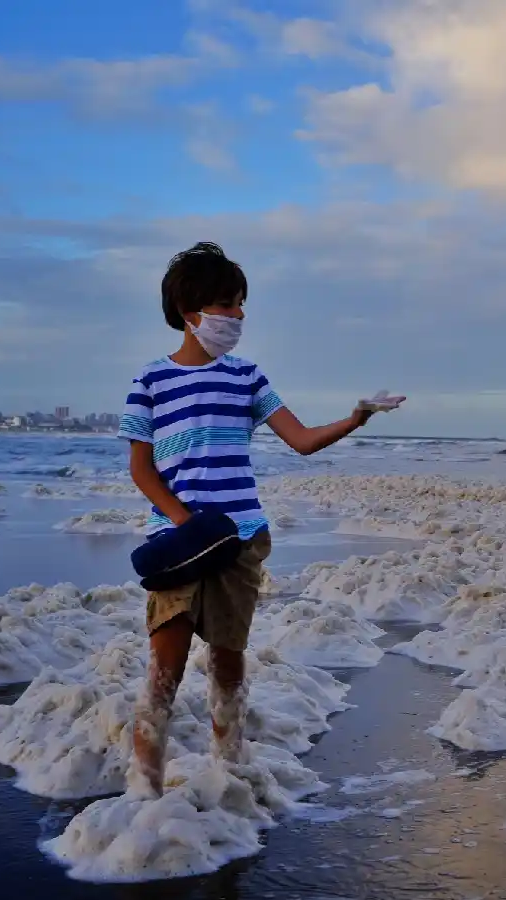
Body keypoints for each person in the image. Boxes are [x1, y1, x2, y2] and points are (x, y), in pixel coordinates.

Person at [117, 241, 403, 797]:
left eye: (241, 304)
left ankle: (228, 772)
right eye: (228, 304)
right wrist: (186, 523)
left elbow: (300, 440)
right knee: (164, 669)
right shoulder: (149, 381)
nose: (239, 317)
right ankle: (144, 792)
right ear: (189, 310)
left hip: (242, 540)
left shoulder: (247, 376)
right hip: (177, 543)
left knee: (228, 663)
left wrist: (356, 418)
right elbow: (143, 471)